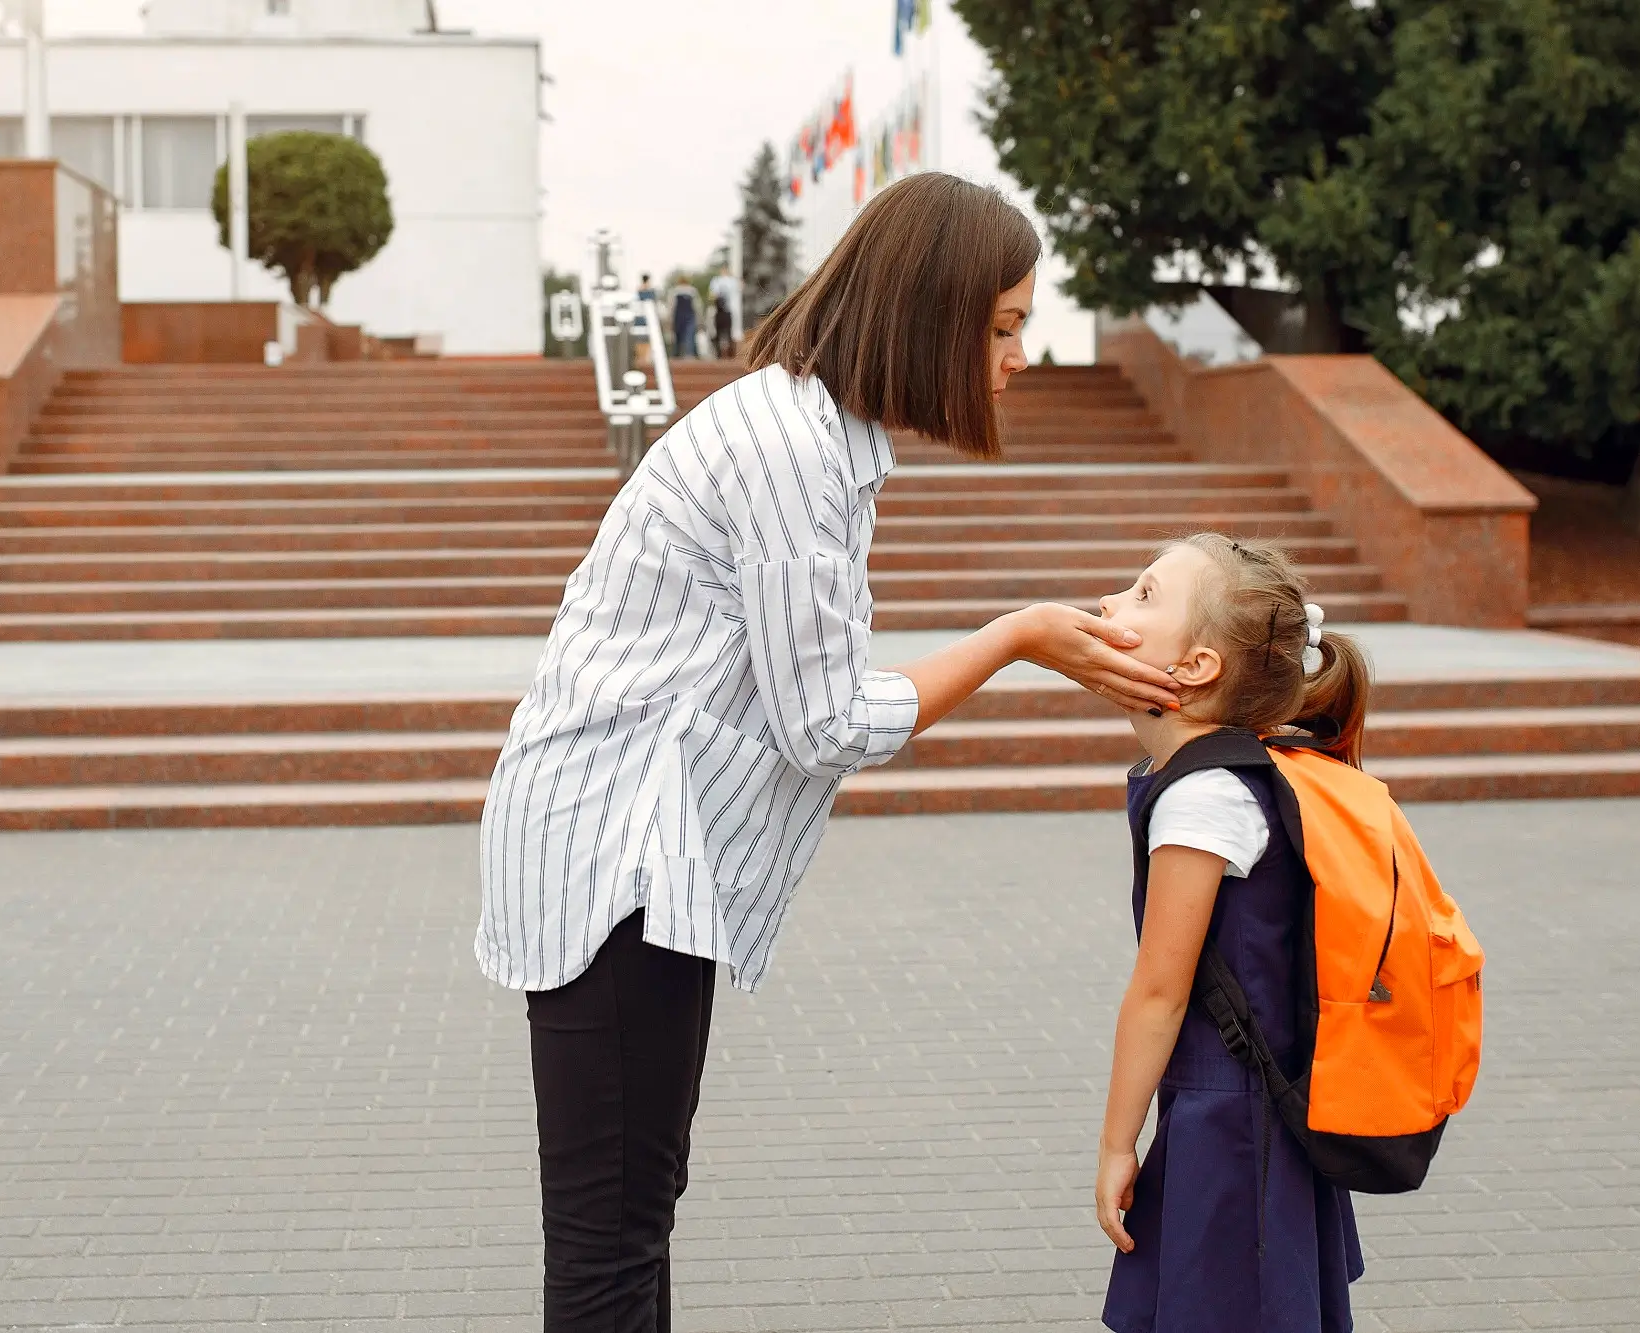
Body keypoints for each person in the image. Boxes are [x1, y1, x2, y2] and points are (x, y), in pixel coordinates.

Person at [477, 172, 1180, 1332]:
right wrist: (1014, 636)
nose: (1017, 356)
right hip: (618, 861)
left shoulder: (812, 435)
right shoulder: (792, 450)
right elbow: (826, 724)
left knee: (629, 1216)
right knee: (609, 1241)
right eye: (1003, 326)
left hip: (638, 859)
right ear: (930, 314)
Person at [1092, 535, 1370, 1333]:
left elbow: (1158, 992)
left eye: (1144, 595)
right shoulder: (1224, 775)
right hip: (1249, 1112)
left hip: (1234, 1125)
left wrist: (1117, 1144)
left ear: (1196, 667)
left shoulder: (1203, 797)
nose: (1111, 604)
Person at [709, 269, 739, 359]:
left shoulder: (731, 281)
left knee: (727, 333)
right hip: (720, 311)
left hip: (726, 311)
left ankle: (728, 354)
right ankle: (721, 353)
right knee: (721, 333)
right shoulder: (717, 281)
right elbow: (712, 295)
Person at [667, 278, 701, 358]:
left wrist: (669, 318)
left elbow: (671, 305)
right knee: (690, 335)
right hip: (689, 315)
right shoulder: (692, 291)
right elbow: (697, 306)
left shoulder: (675, 291)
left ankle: (677, 354)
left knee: (678, 335)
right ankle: (690, 354)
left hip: (679, 315)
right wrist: (699, 318)